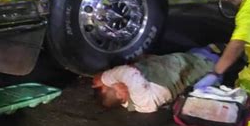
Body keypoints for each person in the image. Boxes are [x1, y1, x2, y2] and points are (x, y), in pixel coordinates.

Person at [92, 44, 223, 113]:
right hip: (205, 66)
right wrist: (103, 78)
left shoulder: (136, 96)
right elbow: (128, 73)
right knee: (217, 53)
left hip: (188, 61)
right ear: (121, 96)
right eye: (112, 85)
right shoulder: (140, 98)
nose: (114, 81)